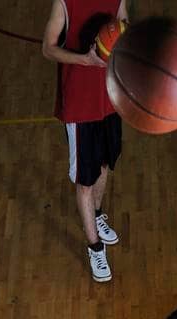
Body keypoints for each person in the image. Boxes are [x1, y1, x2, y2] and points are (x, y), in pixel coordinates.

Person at [42, 1, 128, 282]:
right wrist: (85, 60)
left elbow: (125, 30)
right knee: (85, 181)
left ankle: (97, 215)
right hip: (80, 104)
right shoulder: (64, 2)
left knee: (104, 164)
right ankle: (95, 248)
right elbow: (48, 48)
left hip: (111, 98)